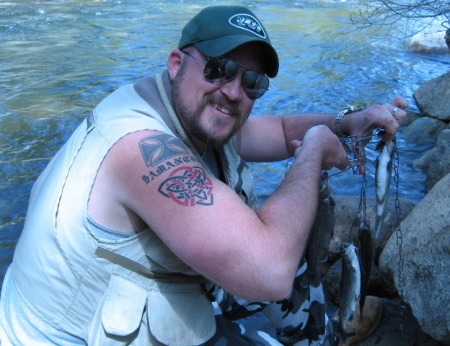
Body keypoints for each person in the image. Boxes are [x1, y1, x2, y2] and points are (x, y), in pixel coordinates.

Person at [0, 5, 407, 345]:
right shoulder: (139, 146)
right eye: (219, 68)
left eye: (252, 82)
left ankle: (320, 333)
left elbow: (282, 131)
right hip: (68, 336)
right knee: (277, 254)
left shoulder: (193, 108)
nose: (233, 91)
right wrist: (314, 151)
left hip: (145, 292)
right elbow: (269, 273)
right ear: (177, 63)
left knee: (293, 247)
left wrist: (348, 121)